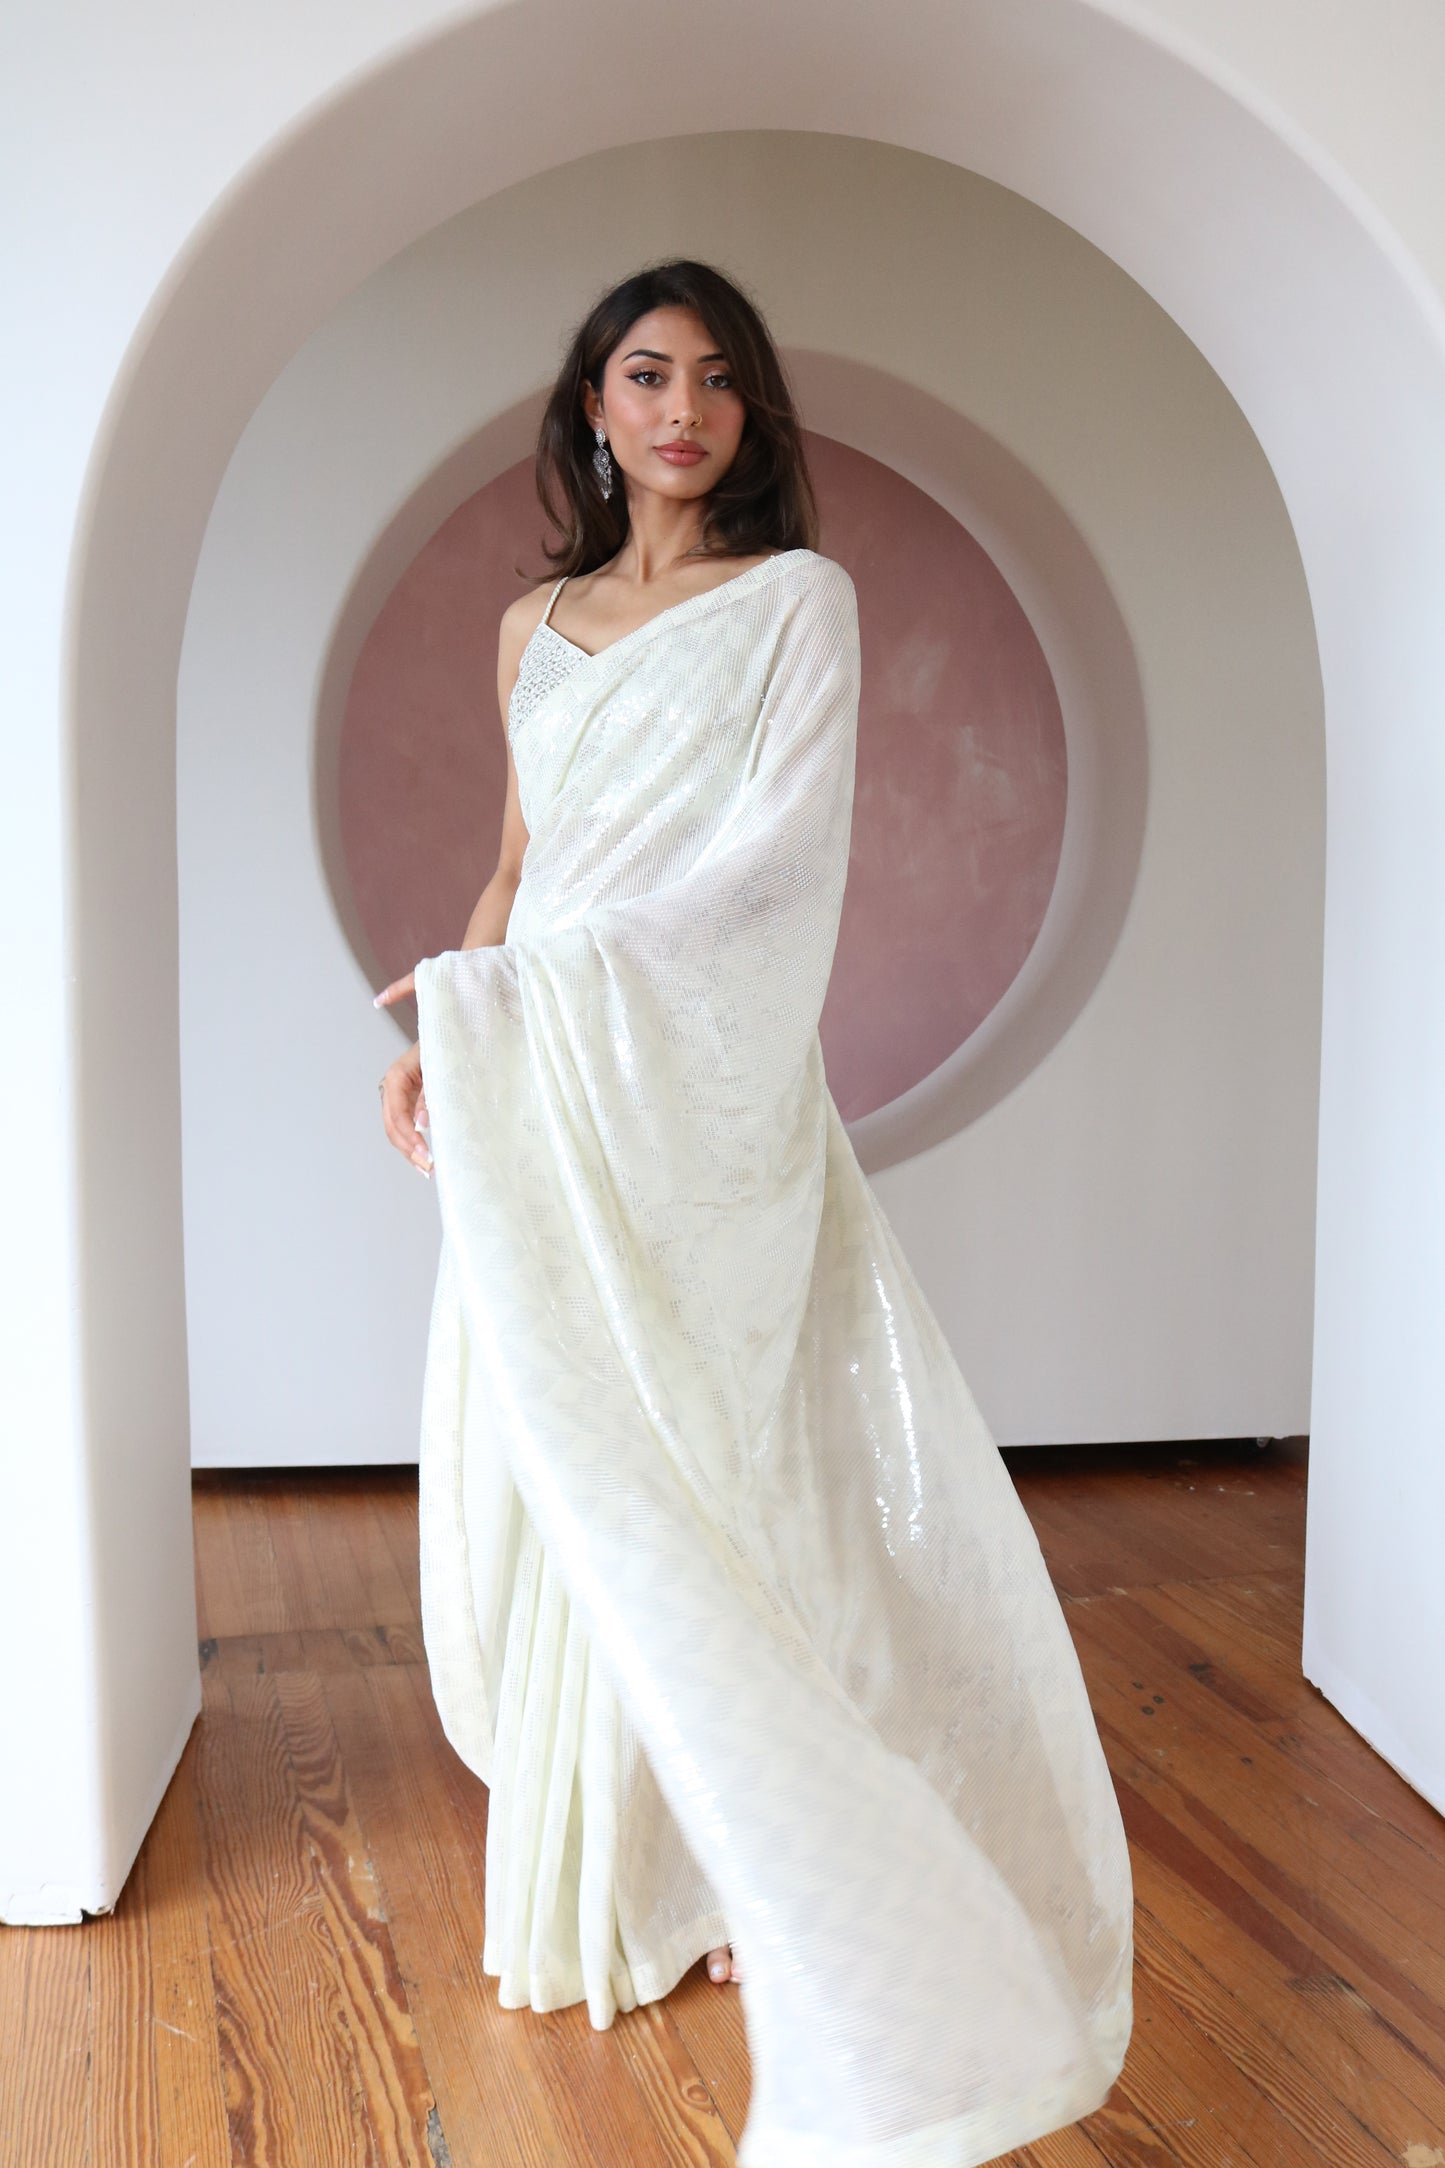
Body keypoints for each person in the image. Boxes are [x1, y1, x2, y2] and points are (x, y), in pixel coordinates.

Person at [376, 259, 1134, 2165]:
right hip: (541, 1085)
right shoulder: (532, 624)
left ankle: (745, 1846)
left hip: (692, 1096)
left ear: (750, 411)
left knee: (710, 1453)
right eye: (646, 375)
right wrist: (448, 1028)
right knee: (556, 1457)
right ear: (592, 406)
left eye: (717, 380)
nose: (682, 411)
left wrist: (531, 997)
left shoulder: (798, 603)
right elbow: (519, 870)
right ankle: (630, 1836)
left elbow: (776, 874)